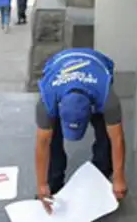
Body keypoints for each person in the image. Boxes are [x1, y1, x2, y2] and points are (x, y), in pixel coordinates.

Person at [35, 48, 128, 212]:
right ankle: (54, 184)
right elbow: (42, 143)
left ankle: (99, 177)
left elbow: (117, 139)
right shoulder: (47, 100)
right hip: (59, 67)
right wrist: (42, 184)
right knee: (52, 142)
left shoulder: (106, 97)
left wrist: (119, 179)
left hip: (96, 67)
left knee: (105, 137)